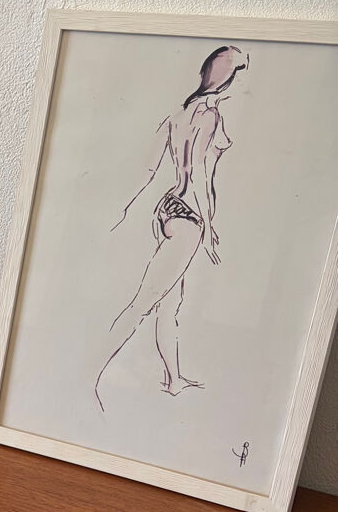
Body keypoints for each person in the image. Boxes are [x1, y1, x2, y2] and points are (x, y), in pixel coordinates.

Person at [94, 45, 248, 411]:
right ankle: (89, 373)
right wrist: (208, 226)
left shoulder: (179, 112)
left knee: (168, 303)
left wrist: (134, 209)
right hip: (190, 216)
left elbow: (149, 168)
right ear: (230, 78)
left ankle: (173, 379)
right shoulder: (208, 115)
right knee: (144, 303)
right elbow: (197, 174)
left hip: (168, 209)